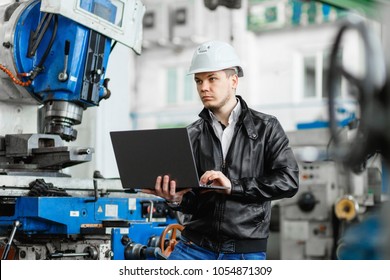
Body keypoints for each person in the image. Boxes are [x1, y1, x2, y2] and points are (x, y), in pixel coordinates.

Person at [143, 40, 299, 260]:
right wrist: (176, 199)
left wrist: (233, 187)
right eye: (199, 81)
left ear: (233, 80)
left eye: (212, 79)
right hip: (193, 247)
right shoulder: (191, 134)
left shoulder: (267, 127)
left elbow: (288, 181)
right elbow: (194, 200)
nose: (203, 87)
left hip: (244, 252)